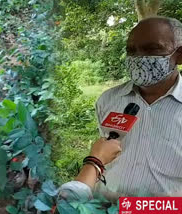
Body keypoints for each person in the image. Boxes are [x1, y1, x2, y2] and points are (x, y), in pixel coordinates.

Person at [59, 16, 182, 200]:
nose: (139, 57)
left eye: (152, 49)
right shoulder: (108, 100)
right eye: (131, 51)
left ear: (179, 55)